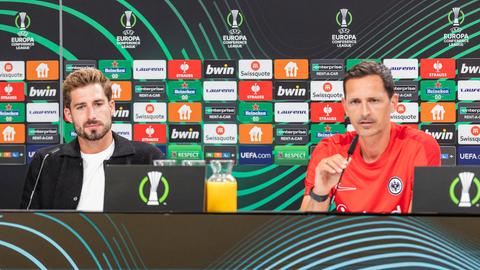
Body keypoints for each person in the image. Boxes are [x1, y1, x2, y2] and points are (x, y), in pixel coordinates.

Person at [300, 61, 440, 213]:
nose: (364, 112)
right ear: (345, 106)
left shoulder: (420, 146)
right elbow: (305, 230)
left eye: (373, 100)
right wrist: (320, 191)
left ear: (393, 103)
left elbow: (422, 228)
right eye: (355, 102)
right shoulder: (330, 149)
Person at [20, 68, 163, 210]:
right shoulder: (45, 162)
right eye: (81, 107)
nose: (91, 115)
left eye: (98, 104)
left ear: (111, 107)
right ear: (69, 115)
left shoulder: (148, 157)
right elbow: (28, 227)